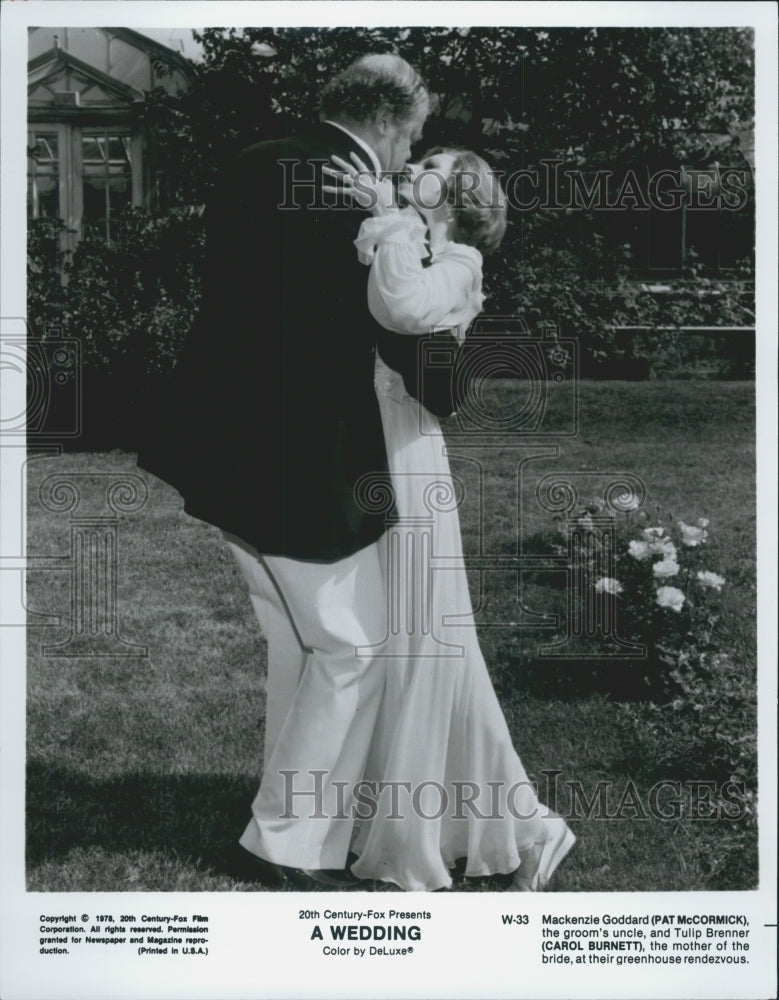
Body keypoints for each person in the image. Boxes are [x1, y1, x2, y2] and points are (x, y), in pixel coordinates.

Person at [138, 54, 462, 886]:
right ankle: (283, 841)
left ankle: (303, 823)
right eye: (414, 133)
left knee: (301, 644)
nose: (410, 152)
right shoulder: (335, 185)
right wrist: (447, 360)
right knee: (354, 647)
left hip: (226, 444)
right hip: (293, 456)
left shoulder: (259, 159)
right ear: (390, 118)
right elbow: (383, 322)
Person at [321, 148, 576, 891]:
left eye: (432, 161)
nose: (414, 161)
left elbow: (398, 308)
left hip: (407, 456)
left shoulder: (458, 260)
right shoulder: (416, 239)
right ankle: (484, 822)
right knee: (415, 638)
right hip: (373, 448)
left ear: (458, 193)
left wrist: (386, 216)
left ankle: (513, 826)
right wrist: (389, 220)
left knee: (428, 638)